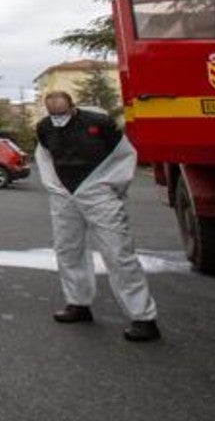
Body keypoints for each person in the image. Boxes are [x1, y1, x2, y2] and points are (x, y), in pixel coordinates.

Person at [34, 91, 160, 341]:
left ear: (73, 107)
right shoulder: (44, 128)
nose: (58, 118)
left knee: (118, 253)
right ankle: (78, 303)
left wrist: (111, 186)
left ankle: (143, 318)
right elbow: (45, 158)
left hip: (99, 192)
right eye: (53, 113)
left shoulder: (99, 123)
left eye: (62, 113)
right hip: (63, 194)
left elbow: (124, 155)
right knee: (67, 250)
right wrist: (56, 188)